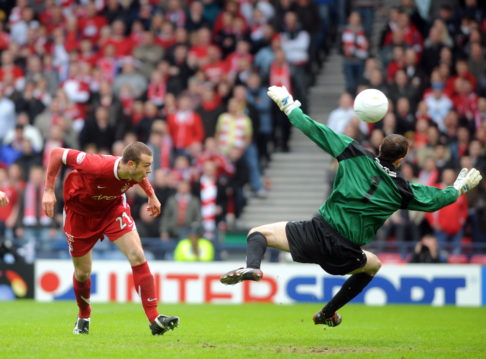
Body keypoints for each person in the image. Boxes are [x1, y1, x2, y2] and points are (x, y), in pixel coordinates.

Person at [220, 86, 483, 328]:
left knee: (258, 234)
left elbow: (314, 129)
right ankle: (327, 313)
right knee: (374, 264)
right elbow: (435, 201)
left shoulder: (353, 152)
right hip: (345, 253)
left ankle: (253, 266)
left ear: (379, 148)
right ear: (402, 160)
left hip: (316, 232)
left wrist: (288, 105)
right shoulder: (402, 190)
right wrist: (458, 189)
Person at [42, 141, 179, 336]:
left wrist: (151, 195)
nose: (150, 171)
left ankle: (154, 318)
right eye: (147, 166)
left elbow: (139, 177)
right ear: (131, 164)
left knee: (137, 255)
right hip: (79, 215)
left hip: (112, 210)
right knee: (82, 273)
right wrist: (48, 190)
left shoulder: (134, 171)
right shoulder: (95, 164)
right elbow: (56, 153)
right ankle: (84, 316)